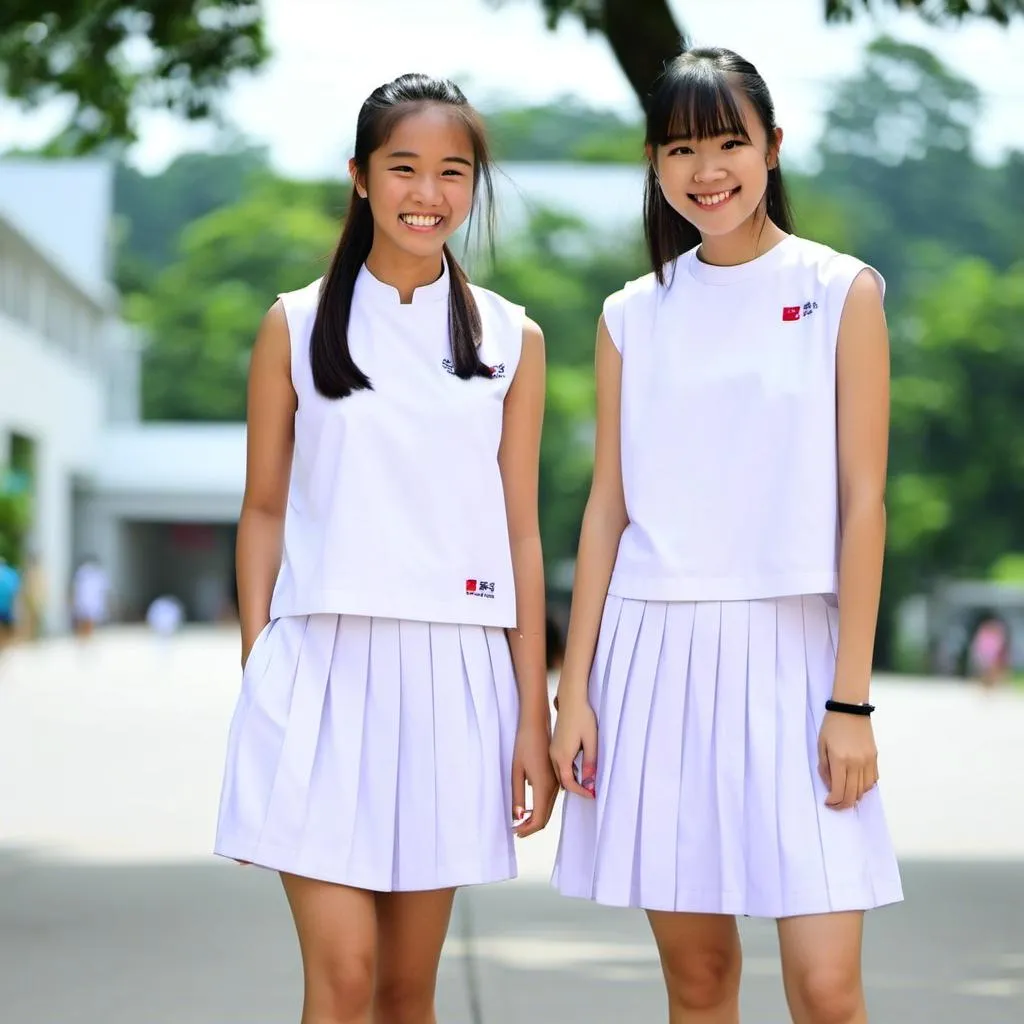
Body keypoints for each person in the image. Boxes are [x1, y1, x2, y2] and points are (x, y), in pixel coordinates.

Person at [550, 47, 903, 1024]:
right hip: (653, 655)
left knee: (826, 990)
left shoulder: (840, 291)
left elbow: (863, 501)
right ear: (655, 165)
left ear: (773, 147)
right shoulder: (631, 312)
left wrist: (852, 701)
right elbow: (606, 510)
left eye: (727, 143)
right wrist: (572, 691)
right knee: (698, 982)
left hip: (799, 657)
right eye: (679, 149)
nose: (706, 170)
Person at [214, 73, 557, 1024]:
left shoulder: (511, 338)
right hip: (320, 670)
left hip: (455, 674)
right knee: (345, 980)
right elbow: (264, 512)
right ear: (360, 177)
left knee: (408, 994)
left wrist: (532, 709)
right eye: (404, 167)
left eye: (454, 172)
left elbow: (522, 535)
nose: (429, 193)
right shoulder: (293, 323)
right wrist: (262, 665)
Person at [71, 556, 110, 638]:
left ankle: (86, 636)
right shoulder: (84, 573)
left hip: (89, 601)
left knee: (88, 619)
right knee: (85, 619)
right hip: (87, 601)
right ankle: (84, 636)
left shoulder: (94, 574)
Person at [0, 556, 20, 651]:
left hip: (4, 606)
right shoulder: (10, 574)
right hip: (6, 606)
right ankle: (5, 646)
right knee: (7, 628)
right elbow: (15, 591)